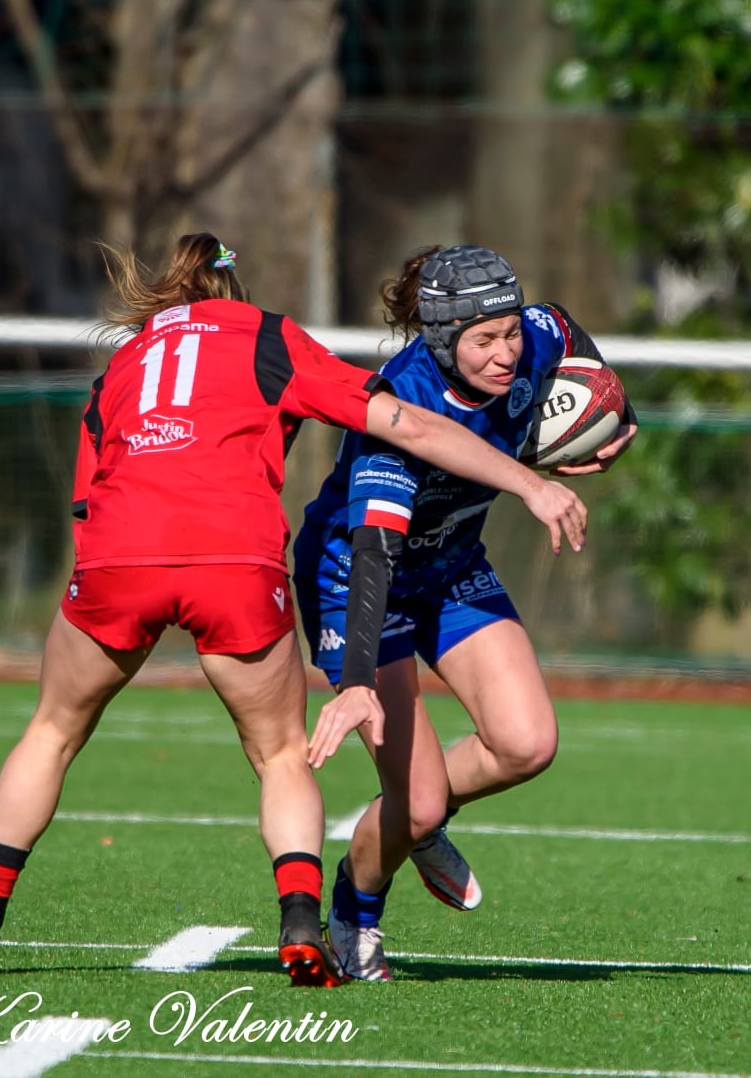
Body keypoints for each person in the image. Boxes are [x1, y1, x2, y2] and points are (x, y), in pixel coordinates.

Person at [0, 233, 585, 986]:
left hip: (118, 552)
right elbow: (404, 424)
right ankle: (303, 926)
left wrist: (111, 579)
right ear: (233, 292)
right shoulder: (268, 335)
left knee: (51, 730)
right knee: (278, 754)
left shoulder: (125, 363)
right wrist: (533, 484)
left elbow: (84, 497)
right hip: (235, 556)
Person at [295, 244, 637, 982]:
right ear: (443, 339)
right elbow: (376, 557)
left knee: (526, 742)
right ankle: (357, 906)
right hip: (358, 579)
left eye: (510, 332)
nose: (507, 352)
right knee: (411, 804)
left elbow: (566, 328)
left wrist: (617, 414)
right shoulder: (402, 402)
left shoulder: (532, 340)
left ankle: (418, 819)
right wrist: (355, 680)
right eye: (484, 341)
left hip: (450, 566)